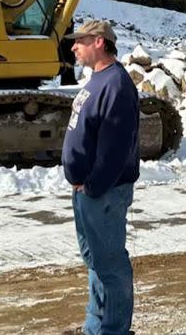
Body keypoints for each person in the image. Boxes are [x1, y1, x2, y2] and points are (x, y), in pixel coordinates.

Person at [62, 20, 141, 335]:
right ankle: (96, 327)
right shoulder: (98, 80)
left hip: (103, 193)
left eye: (78, 40)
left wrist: (93, 185)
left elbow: (115, 148)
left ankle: (113, 330)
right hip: (89, 191)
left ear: (98, 42)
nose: (73, 47)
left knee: (109, 265)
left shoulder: (116, 84)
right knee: (96, 262)